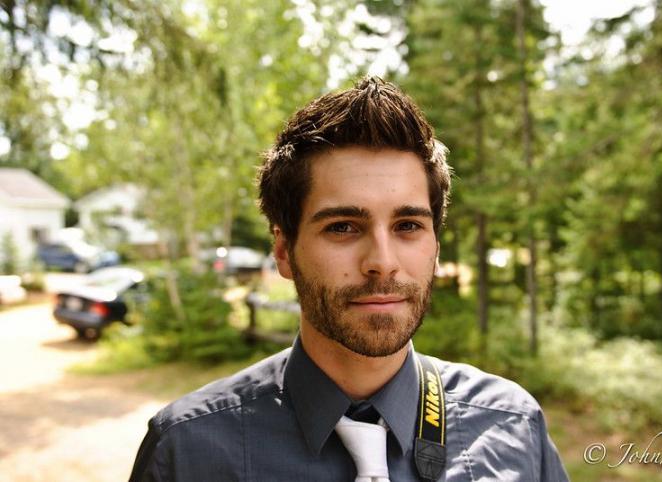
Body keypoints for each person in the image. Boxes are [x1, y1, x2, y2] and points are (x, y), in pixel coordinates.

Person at [129, 77, 569, 482]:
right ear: (283, 251)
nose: (382, 262)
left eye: (408, 226)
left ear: (435, 247)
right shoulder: (186, 453)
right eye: (342, 227)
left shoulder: (514, 429)